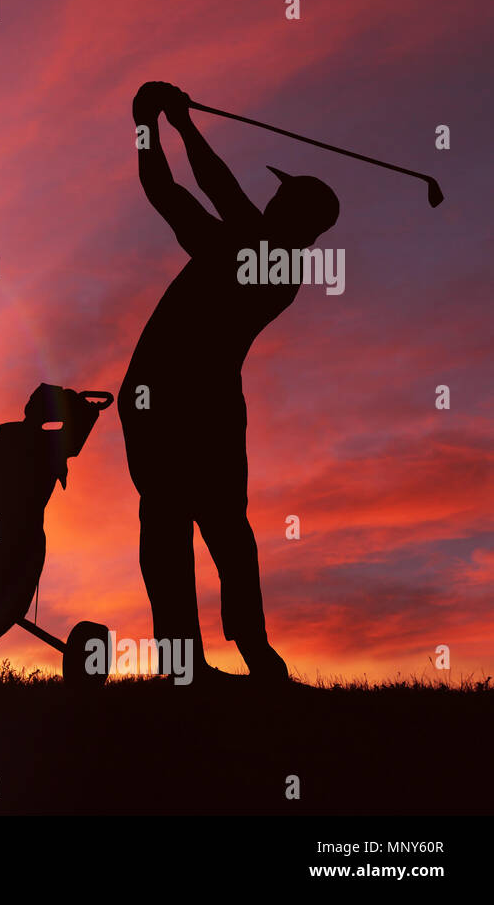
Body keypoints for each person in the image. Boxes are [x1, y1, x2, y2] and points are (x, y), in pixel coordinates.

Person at [118, 81, 339, 682]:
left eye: (280, 201)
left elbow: (185, 189)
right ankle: (211, 659)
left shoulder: (263, 259)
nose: (268, 205)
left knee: (192, 526)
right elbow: (205, 190)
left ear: (293, 219)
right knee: (204, 526)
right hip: (183, 399)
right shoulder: (262, 251)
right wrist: (173, 123)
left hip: (172, 399)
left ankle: (223, 657)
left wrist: (160, 123)